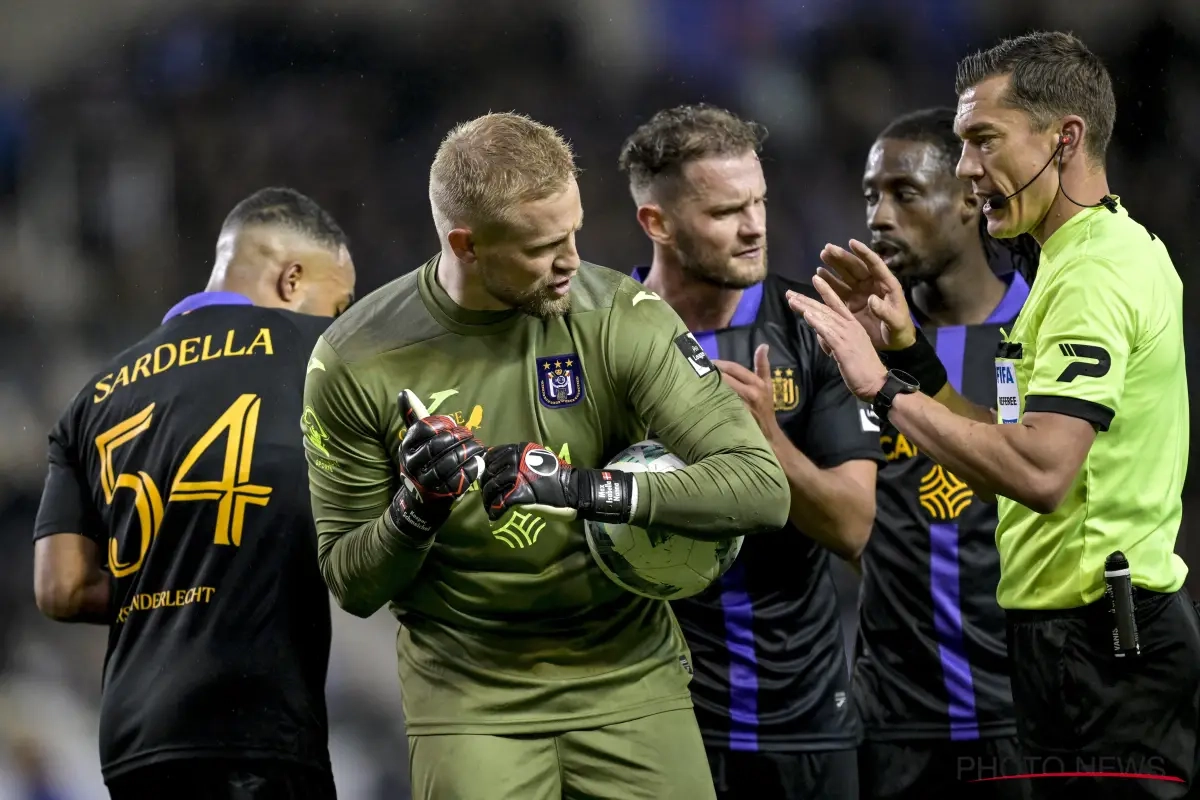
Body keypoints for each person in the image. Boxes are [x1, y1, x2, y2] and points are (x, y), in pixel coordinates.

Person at [301, 111, 790, 800]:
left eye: (574, 232)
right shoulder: (355, 359)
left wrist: (583, 489)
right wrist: (417, 509)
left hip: (630, 678)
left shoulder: (619, 315)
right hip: (469, 701)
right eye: (542, 246)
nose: (570, 260)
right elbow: (353, 584)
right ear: (466, 245)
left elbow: (760, 489)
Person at [790, 31, 1200, 799]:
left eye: (983, 140)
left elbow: (1041, 472)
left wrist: (884, 390)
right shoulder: (1081, 260)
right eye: (962, 144)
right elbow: (1009, 438)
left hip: (1103, 644)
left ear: (1064, 138)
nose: (970, 168)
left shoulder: (1092, 275)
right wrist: (910, 358)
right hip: (1074, 644)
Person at [33, 187, 356, 800]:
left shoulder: (95, 395)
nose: (337, 322)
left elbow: (61, 588)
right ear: (292, 280)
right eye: (335, 304)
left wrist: (169, 586)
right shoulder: (318, 357)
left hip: (134, 737)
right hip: (258, 727)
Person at [617, 103, 881, 800]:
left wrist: (766, 446)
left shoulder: (810, 327)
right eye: (727, 211)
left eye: (760, 202)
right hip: (655, 720)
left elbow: (855, 526)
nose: (756, 226)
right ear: (658, 224)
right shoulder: (601, 339)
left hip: (805, 715)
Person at [854, 107, 1032, 799]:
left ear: (968, 199)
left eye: (903, 193)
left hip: (1024, 709)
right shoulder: (855, 347)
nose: (879, 216)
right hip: (891, 719)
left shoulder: (1039, 328)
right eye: (870, 194)